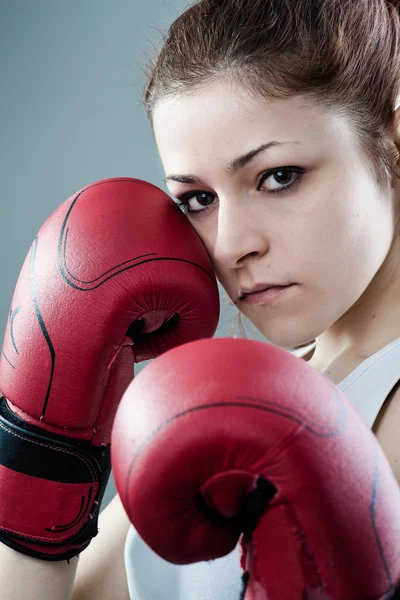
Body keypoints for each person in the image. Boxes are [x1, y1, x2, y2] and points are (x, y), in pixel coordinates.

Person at [1, 0, 400, 598]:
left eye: (278, 176)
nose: (232, 245)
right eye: (198, 200)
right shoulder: (236, 410)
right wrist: (46, 444)